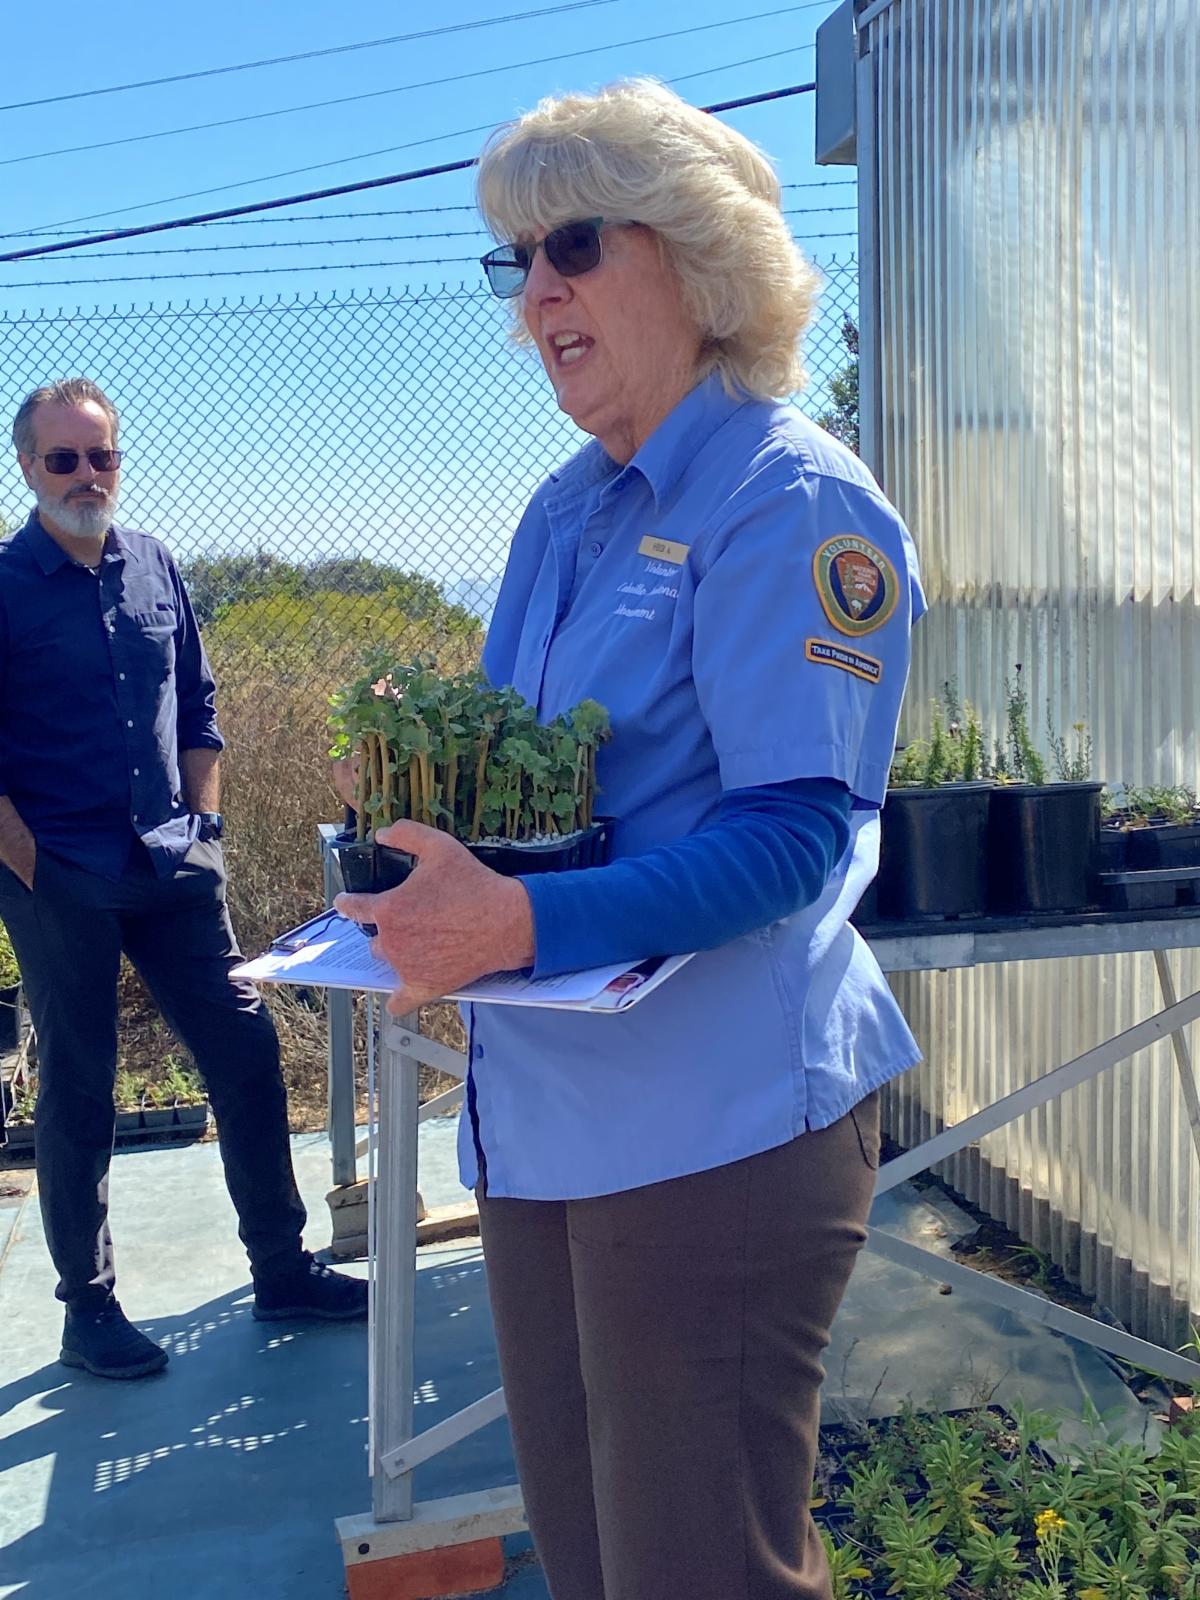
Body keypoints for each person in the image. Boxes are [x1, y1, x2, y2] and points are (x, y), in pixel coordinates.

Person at [335, 80, 924, 1600]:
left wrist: (516, 928)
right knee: (594, 1564)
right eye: (518, 260)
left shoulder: (793, 504)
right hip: (544, 1131)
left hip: (713, 1135)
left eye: (574, 244)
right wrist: (407, 884)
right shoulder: (561, 514)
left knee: (697, 1574)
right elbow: (512, 803)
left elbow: (796, 837)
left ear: (698, 259)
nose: (536, 293)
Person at [0, 378, 366, 1382]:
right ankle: (89, 1309)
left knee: (245, 1054)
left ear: (120, 460)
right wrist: (33, 869)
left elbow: (199, 708)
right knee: (80, 1087)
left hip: (172, 862)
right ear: (26, 466)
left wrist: (205, 830)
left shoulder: (156, 567)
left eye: (101, 456)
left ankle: (283, 1268)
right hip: (62, 874)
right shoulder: (5, 584)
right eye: (63, 458)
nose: (85, 475)